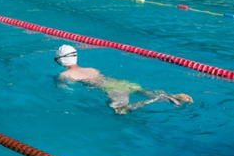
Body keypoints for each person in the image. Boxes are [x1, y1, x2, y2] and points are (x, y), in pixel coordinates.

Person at [54, 45, 193, 115]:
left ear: (60, 60)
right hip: (123, 83)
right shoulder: (92, 69)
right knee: (148, 93)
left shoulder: (65, 75)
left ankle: (154, 100)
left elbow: (66, 91)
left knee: (120, 110)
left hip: (113, 89)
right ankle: (171, 97)